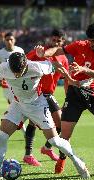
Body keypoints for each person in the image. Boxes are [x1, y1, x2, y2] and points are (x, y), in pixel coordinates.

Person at [0, 52, 90, 180]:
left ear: (26, 64)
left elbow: (56, 65)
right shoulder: (4, 67)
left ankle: (78, 162)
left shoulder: (37, 66)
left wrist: (71, 79)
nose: (17, 75)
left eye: (20, 71)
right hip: (18, 105)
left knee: (54, 141)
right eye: (14, 72)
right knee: (2, 136)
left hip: (37, 105)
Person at [37, 22, 94, 175]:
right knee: (65, 135)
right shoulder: (80, 45)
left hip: (93, 94)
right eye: (90, 41)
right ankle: (62, 158)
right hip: (74, 94)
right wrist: (45, 53)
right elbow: (58, 49)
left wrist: (84, 69)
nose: (92, 44)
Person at [22, 29, 69, 166]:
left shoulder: (64, 58)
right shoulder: (40, 52)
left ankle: (47, 148)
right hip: (36, 93)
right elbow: (23, 61)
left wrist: (68, 96)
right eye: (53, 40)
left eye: (58, 41)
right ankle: (28, 155)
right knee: (33, 123)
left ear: (63, 42)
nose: (55, 43)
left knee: (60, 124)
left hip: (49, 94)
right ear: (50, 39)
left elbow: (66, 78)